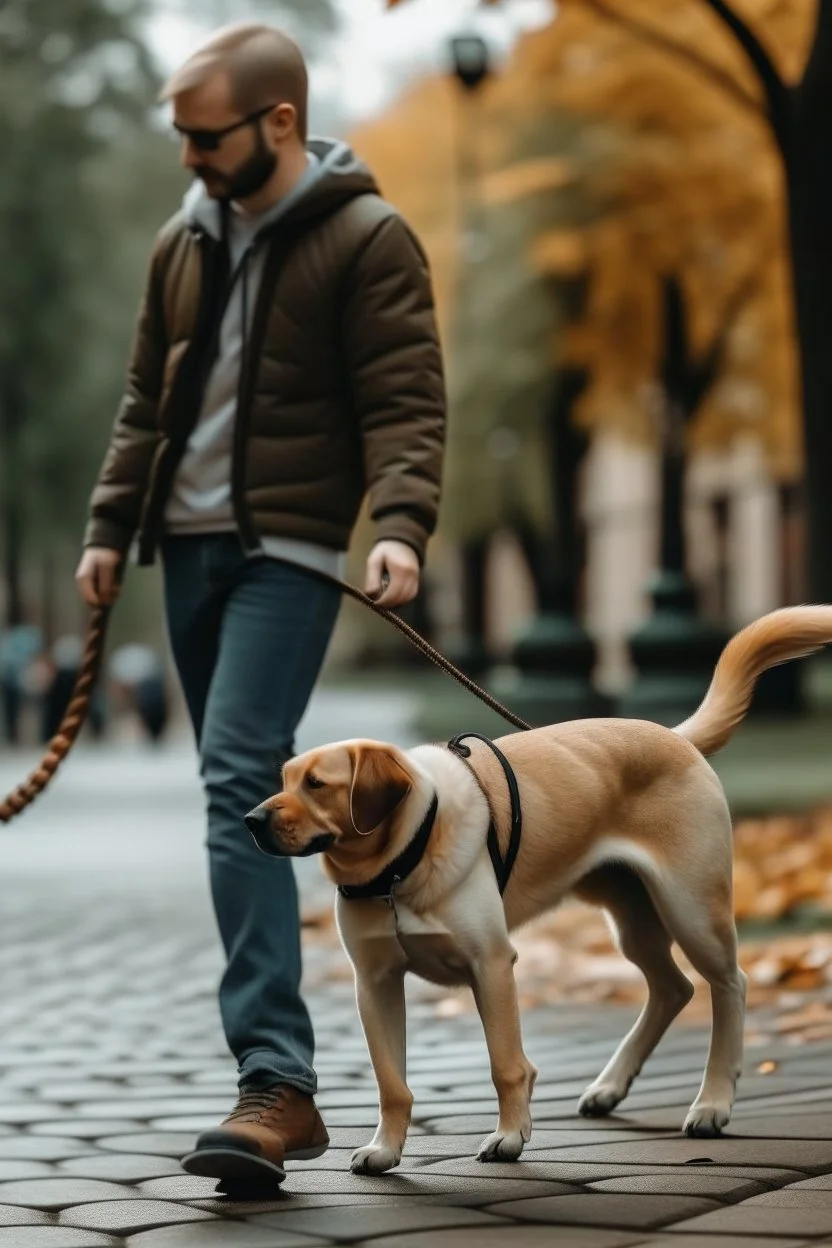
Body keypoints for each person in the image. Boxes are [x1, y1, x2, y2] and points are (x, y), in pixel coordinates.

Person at [75, 22, 446, 1185]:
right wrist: (105, 526)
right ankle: (280, 1074)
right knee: (227, 781)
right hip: (181, 550)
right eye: (179, 137)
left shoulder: (367, 238)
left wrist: (396, 526)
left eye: (203, 136)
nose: (187, 156)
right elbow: (146, 400)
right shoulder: (179, 244)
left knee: (242, 772)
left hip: (289, 549)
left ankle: (277, 1086)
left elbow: (404, 401)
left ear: (277, 122)